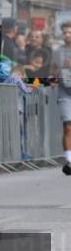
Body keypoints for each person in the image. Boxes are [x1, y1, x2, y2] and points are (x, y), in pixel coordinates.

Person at [49, 20, 71, 176]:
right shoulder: (57, 52)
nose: (66, 35)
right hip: (65, 91)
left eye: (69, 32)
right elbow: (53, 69)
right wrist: (52, 77)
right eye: (64, 32)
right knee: (68, 126)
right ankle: (69, 161)